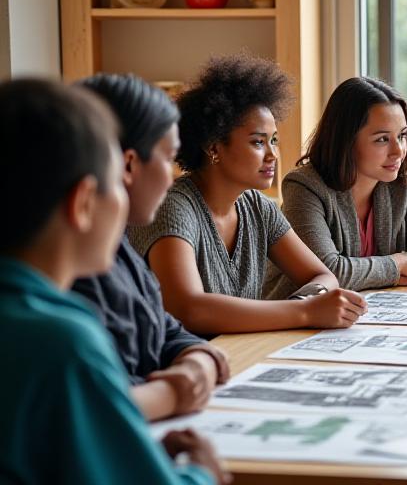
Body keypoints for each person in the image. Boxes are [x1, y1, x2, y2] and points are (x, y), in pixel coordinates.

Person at [0, 79, 228, 484]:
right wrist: (202, 473)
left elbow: (167, 330)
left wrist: (198, 359)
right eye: (113, 181)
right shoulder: (61, 340)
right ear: (84, 201)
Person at [129, 54, 367, 336]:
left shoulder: (258, 207)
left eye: (274, 140)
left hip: (240, 353)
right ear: (213, 147)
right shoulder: (174, 208)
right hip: (183, 364)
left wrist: (302, 305)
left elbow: (322, 275)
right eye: (258, 142)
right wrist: (305, 312)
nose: (272, 155)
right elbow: (188, 309)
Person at [72, 73, 230, 422]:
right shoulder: (71, 271)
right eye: (168, 157)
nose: (172, 177)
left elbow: (165, 328)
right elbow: (90, 401)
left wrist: (197, 359)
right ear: (128, 164)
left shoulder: (118, 248)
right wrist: (172, 393)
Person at [264, 77, 407, 295]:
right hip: (293, 321)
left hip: (370, 317)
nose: (398, 151)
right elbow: (327, 274)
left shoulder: (404, 181)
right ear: (346, 141)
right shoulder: (304, 186)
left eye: (402, 136)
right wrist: (397, 264)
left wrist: (371, 272)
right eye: (382, 139)